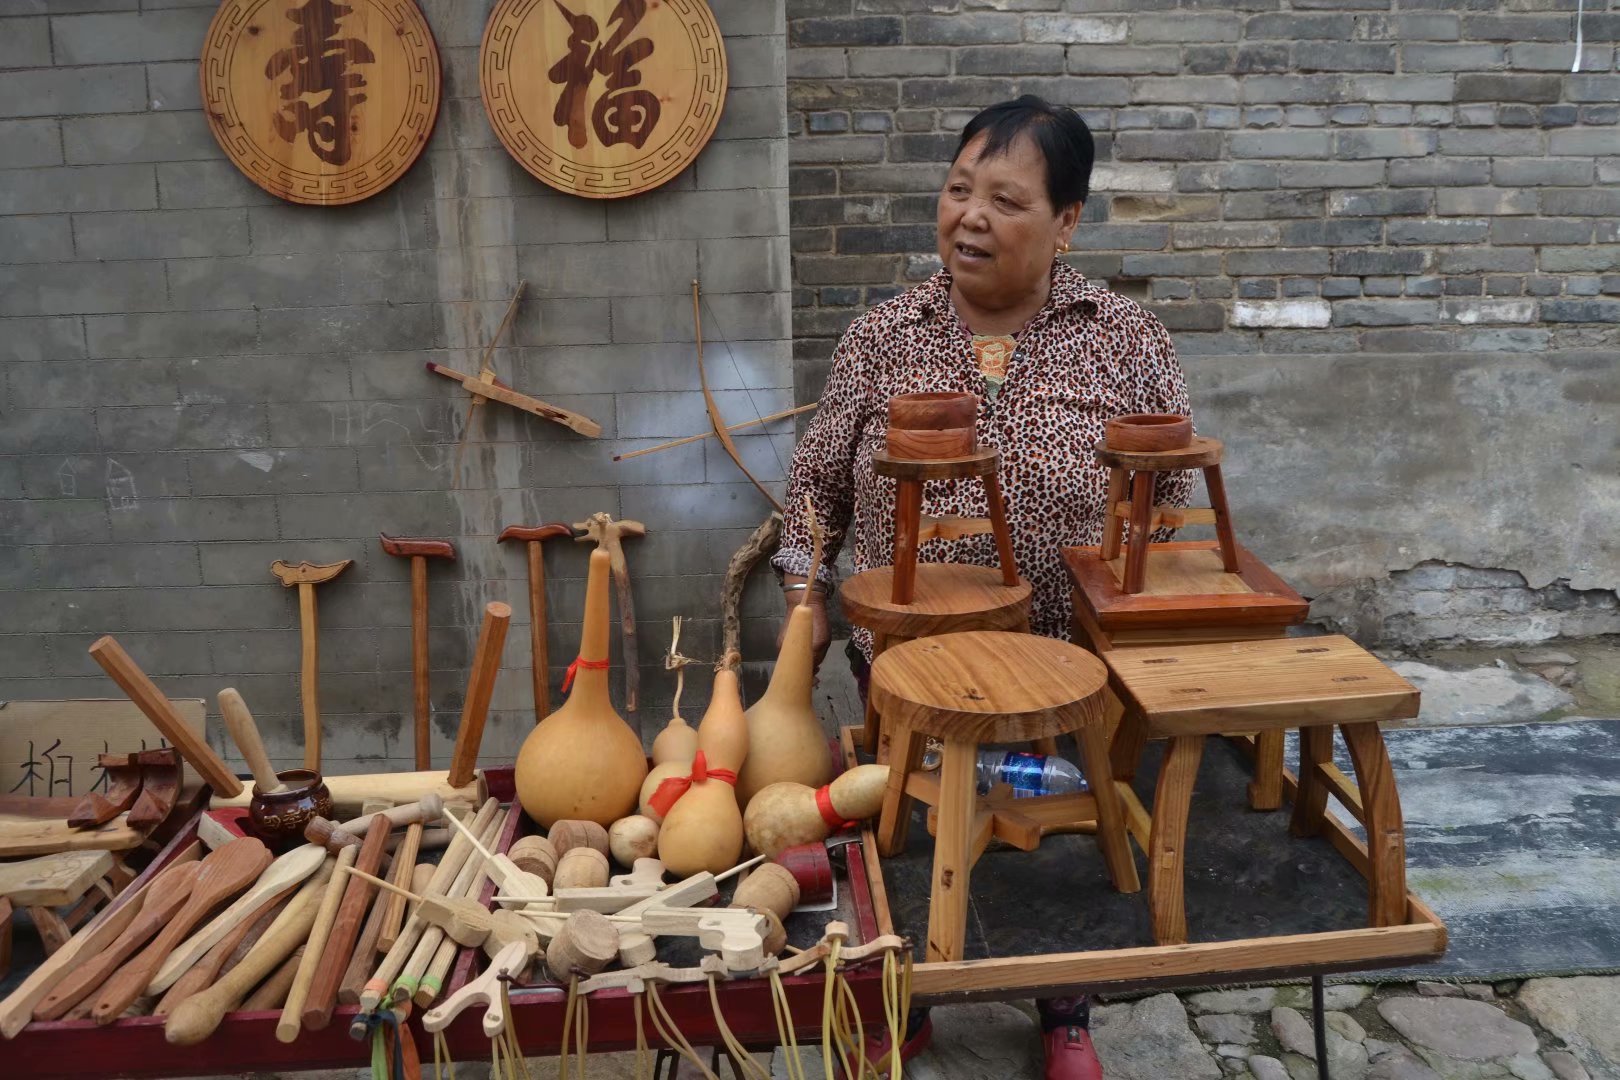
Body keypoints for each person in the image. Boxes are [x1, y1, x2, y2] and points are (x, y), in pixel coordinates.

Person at [771, 96, 1195, 1080]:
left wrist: (1147, 619)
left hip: (1063, 677)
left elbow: (1170, 494)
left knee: (1053, 839)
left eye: (1005, 199)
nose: (968, 216)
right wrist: (806, 601)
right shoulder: (885, 335)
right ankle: (903, 1002)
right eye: (959, 189)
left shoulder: (1124, 339)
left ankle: (1063, 1005)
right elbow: (816, 487)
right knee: (909, 836)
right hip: (907, 674)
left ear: (1068, 222)